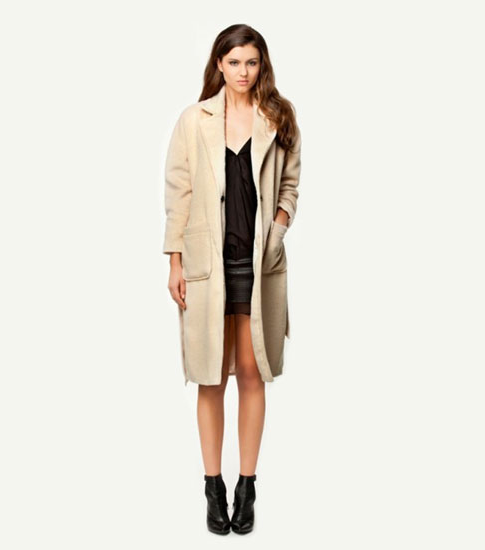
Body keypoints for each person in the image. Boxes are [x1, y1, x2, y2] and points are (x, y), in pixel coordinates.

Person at [162, 24, 302, 535]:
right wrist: (174, 261)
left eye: (252, 62)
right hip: (207, 265)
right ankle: (212, 486)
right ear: (219, 64)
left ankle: (247, 486)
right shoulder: (193, 120)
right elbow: (178, 191)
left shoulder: (278, 117)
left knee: (251, 371)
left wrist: (277, 231)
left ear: (262, 65)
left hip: (258, 264)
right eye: (235, 62)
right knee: (211, 376)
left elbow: (290, 184)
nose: (244, 72)